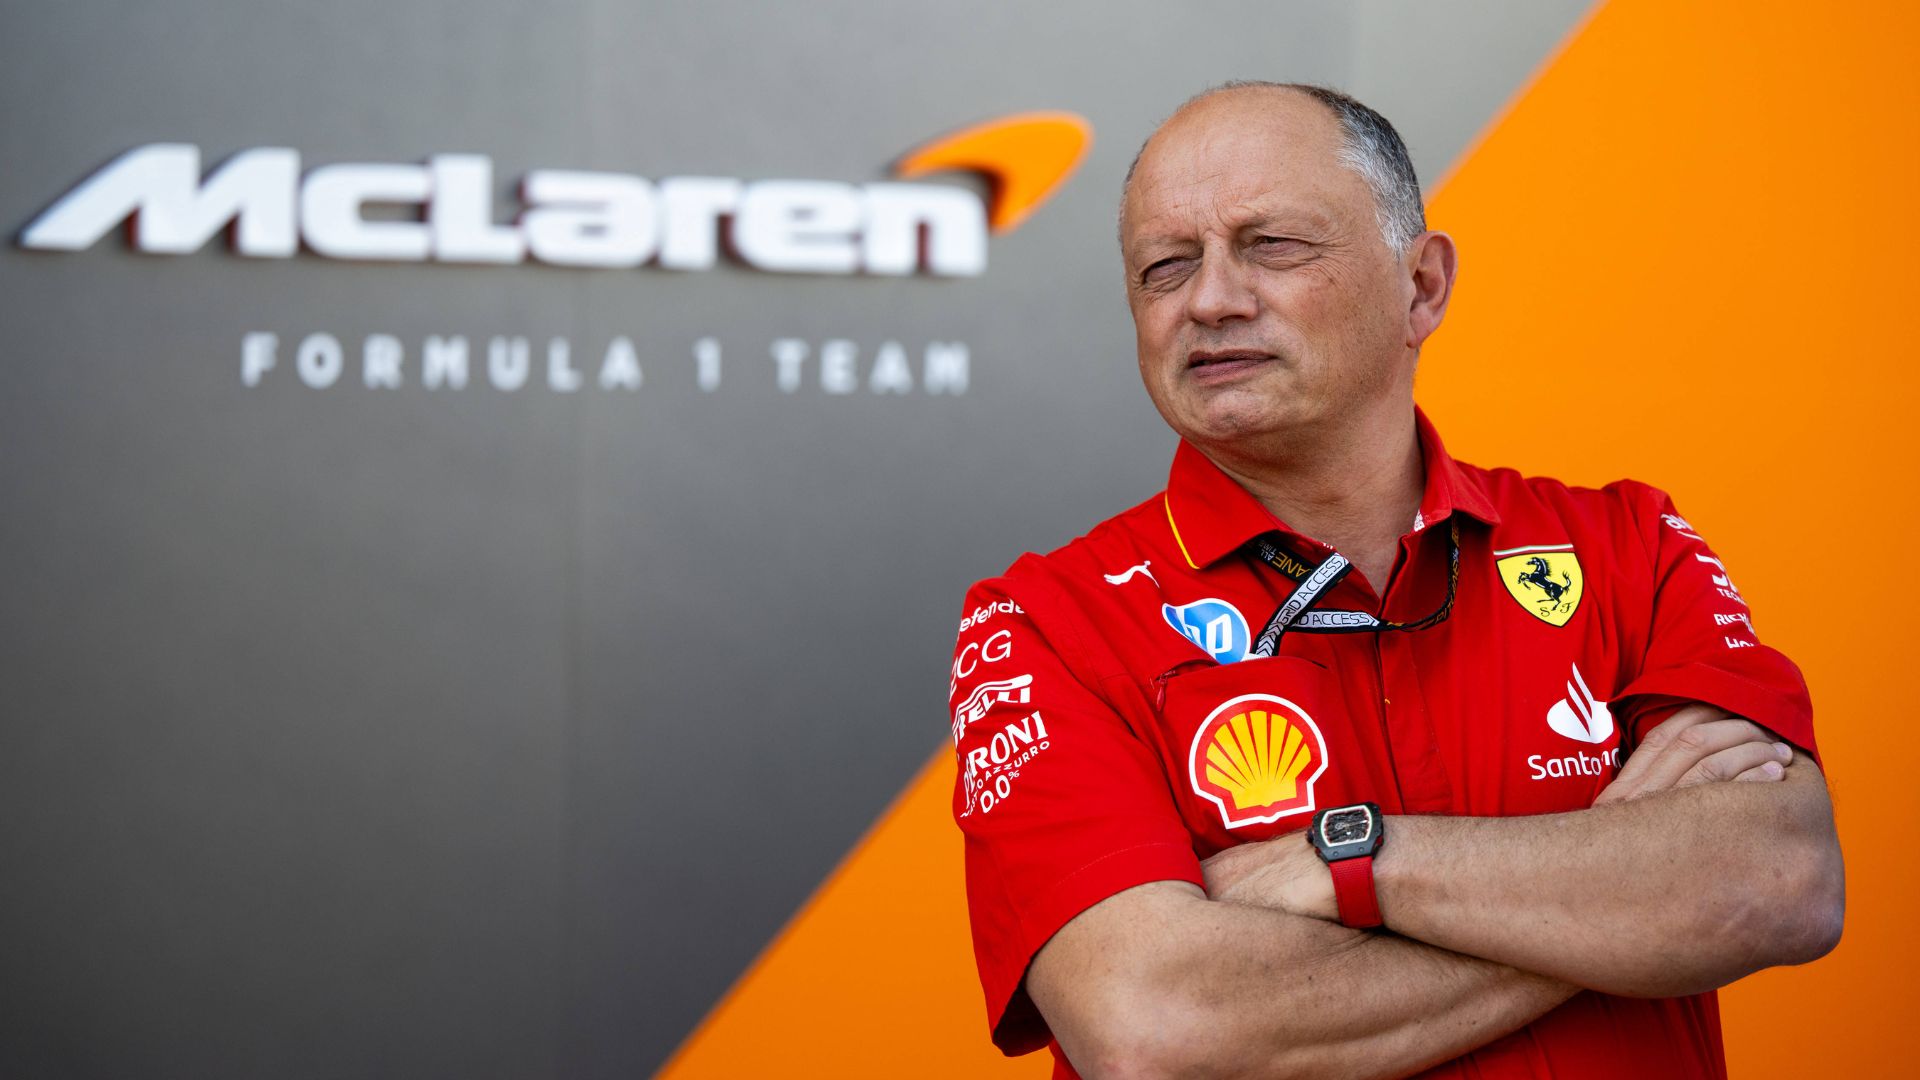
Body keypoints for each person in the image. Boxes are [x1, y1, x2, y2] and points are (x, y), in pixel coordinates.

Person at [945, 82, 1843, 1079]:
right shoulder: (1045, 624)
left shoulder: (1628, 543)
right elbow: (1159, 1027)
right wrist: (1628, 888)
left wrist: (1351, 860)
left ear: (1422, 288)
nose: (1210, 298)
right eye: (1165, 267)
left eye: (1272, 244)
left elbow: (1778, 875)